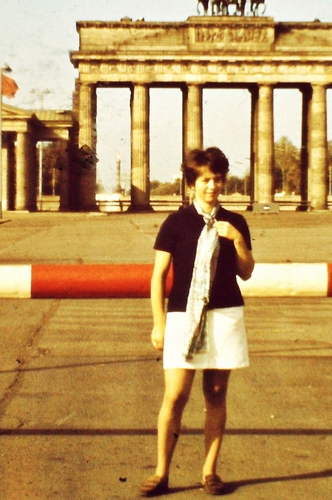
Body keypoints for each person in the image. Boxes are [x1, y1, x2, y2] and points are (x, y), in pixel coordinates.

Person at [140, 147, 255, 497]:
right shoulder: (175, 223)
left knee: (216, 393)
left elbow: (246, 273)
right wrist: (158, 323)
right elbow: (159, 275)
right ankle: (161, 472)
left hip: (225, 315)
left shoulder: (236, 221)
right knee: (175, 396)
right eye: (205, 179)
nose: (213, 186)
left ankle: (209, 472)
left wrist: (236, 240)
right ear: (191, 183)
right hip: (182, 316)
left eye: (218, 179)